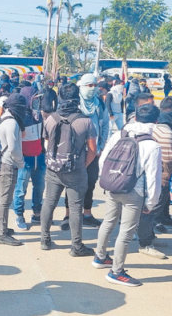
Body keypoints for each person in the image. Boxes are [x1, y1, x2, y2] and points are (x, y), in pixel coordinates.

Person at [94, 104, 162, 287]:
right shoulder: (152, 145)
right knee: (125, 231)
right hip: (134, 192)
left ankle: (100, 257)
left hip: (112, 186)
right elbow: (154, 178)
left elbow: (103, 160)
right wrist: (151, 203)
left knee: (108, 222)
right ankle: (116, 272)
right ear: (156, 121)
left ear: (136, 117)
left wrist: (107, 181)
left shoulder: (119, 134)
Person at [40, 83, 97, 256]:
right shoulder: (86, 121)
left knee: (49, 202)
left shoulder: (50, 119)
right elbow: (93, 150)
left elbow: (46, 143)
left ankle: (45, 240)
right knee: (75, 208)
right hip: (76, 171)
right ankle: (76, 246)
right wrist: (82, 165)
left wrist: (54, 160)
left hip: (53, 170)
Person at [61, 74, 109, 230]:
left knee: (90, 182)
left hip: (94, 152)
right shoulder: (74, 103)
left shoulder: (99, 104)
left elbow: (105, 126)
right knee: (72, 184)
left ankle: (87, 214)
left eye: (95, 85)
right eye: (89, 86)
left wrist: (100, 147)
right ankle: (68, 215)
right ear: (81, 86)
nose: (93, 88)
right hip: (74, 151)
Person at [136, 97, 172, 259]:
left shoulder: (137, 128)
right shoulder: (166, 133)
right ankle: (145, 242)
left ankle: (149, 237)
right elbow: (169, 160)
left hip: (142, 177)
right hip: (161, 177)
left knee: (149, 210)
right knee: (150, 211)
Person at [0, 93, 26, 246]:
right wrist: (21, 163)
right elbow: (13, 148)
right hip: (8, 164)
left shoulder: (4, 117)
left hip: (0, 162)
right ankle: (2, 233)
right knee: (5, 200)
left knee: (0, 197)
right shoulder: (12, 123)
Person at [13, 86, 46, 230]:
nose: (37, 101)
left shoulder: (39, 115)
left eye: (38, 99)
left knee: (39, 188)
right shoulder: (19, 118)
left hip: (39, 158)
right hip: (25, 160)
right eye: (35, 99)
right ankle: (19, 215)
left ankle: (37, 213)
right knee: (21, 189)